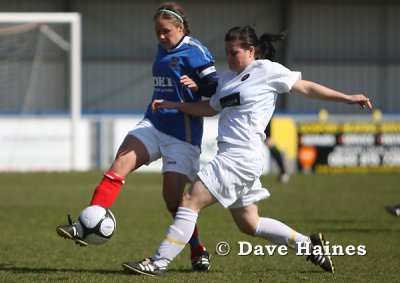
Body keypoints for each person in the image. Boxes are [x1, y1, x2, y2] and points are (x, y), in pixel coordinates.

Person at [121, 25, 372, 277]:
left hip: (241, 157)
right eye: (227, 53)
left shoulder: (266, 70)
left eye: (234, 52)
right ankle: (309, 245)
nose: (229, 58)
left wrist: (347, 98)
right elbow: (210, 108)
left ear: (251, 51)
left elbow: (306, 88)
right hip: (232, 156)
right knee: (250, 224)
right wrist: (177, 105)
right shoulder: (227, 78)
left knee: (189, 202)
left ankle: (158, 262)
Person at [56, 1, 218, 272]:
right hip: (153, 124)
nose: (161, 37)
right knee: (118, 166)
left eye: (166, 31)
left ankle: (197, 249)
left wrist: (199, 84)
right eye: (157, 32)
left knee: (172, 200)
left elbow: (216, 88)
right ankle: (85, 224)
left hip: (183, 135)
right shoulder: (162, 48)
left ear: (180, 27)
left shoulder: (196, 51)